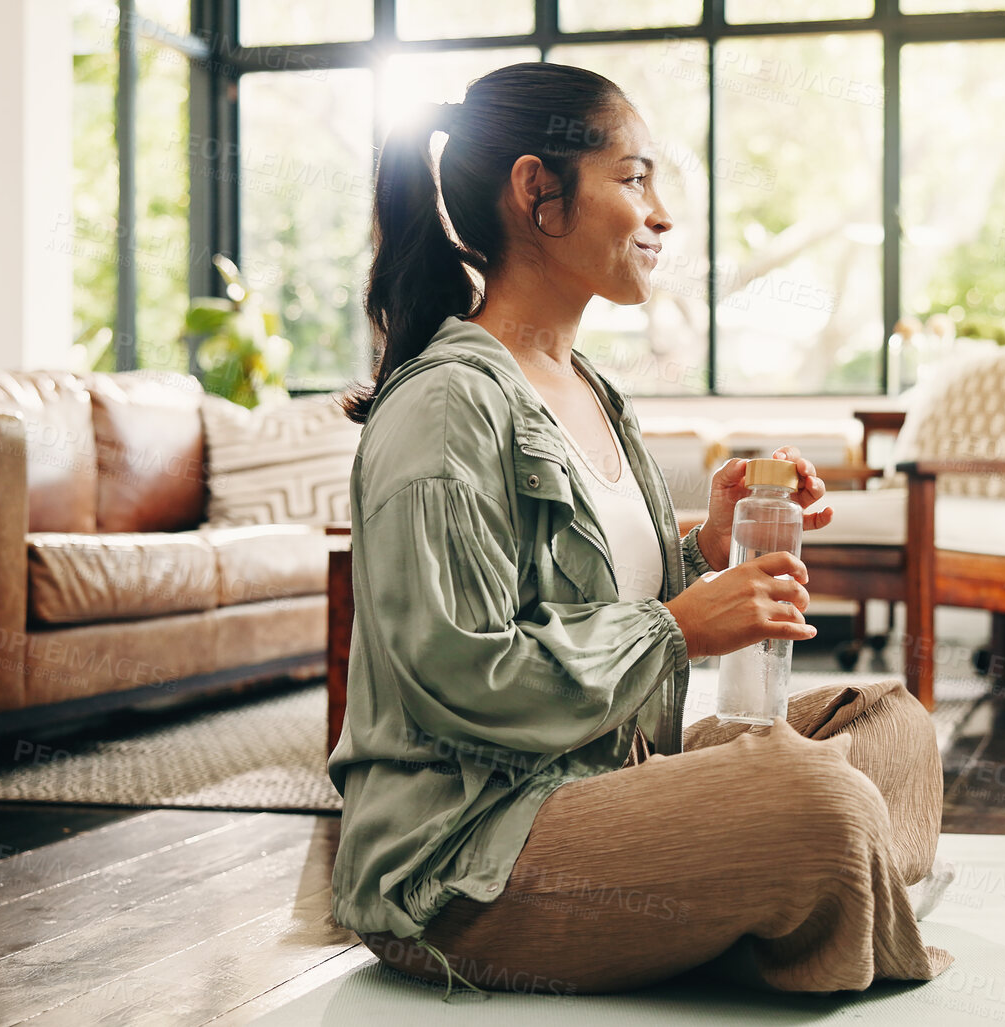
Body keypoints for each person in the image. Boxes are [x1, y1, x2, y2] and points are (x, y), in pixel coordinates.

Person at [327, 61, 955, 1000]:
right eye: (633, 179)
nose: (661, 214)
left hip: (608, 780)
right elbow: (461, 669)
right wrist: (684, 624)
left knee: (890, 728)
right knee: (815, 800)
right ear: (538, 190)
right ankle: (792, 894)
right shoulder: (447, 404)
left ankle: (762, 900)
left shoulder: (594, 393)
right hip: (467, 859)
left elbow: (607, 594)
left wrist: (708, 545)